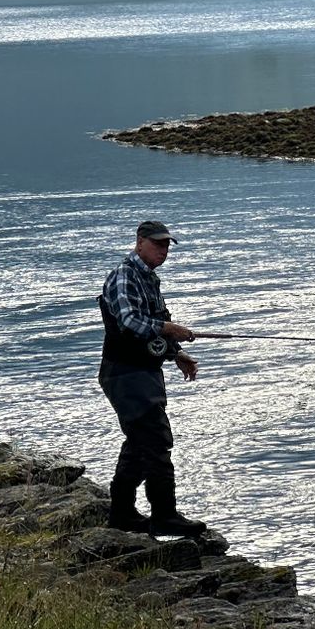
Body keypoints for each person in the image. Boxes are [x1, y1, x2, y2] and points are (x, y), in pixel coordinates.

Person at [98, 219, 208, 537]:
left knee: (140, 440)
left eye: (166, 246)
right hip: (125, 373)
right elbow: (130, 321)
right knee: (156, 440)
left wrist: (177, 354)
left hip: (143, 372)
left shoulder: (149, 279)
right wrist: (169, 329)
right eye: (157, 244)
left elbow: (156, 324)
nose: (163, 250)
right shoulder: (124, 275)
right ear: (139, 242)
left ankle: (121, 513)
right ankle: (164, 515)